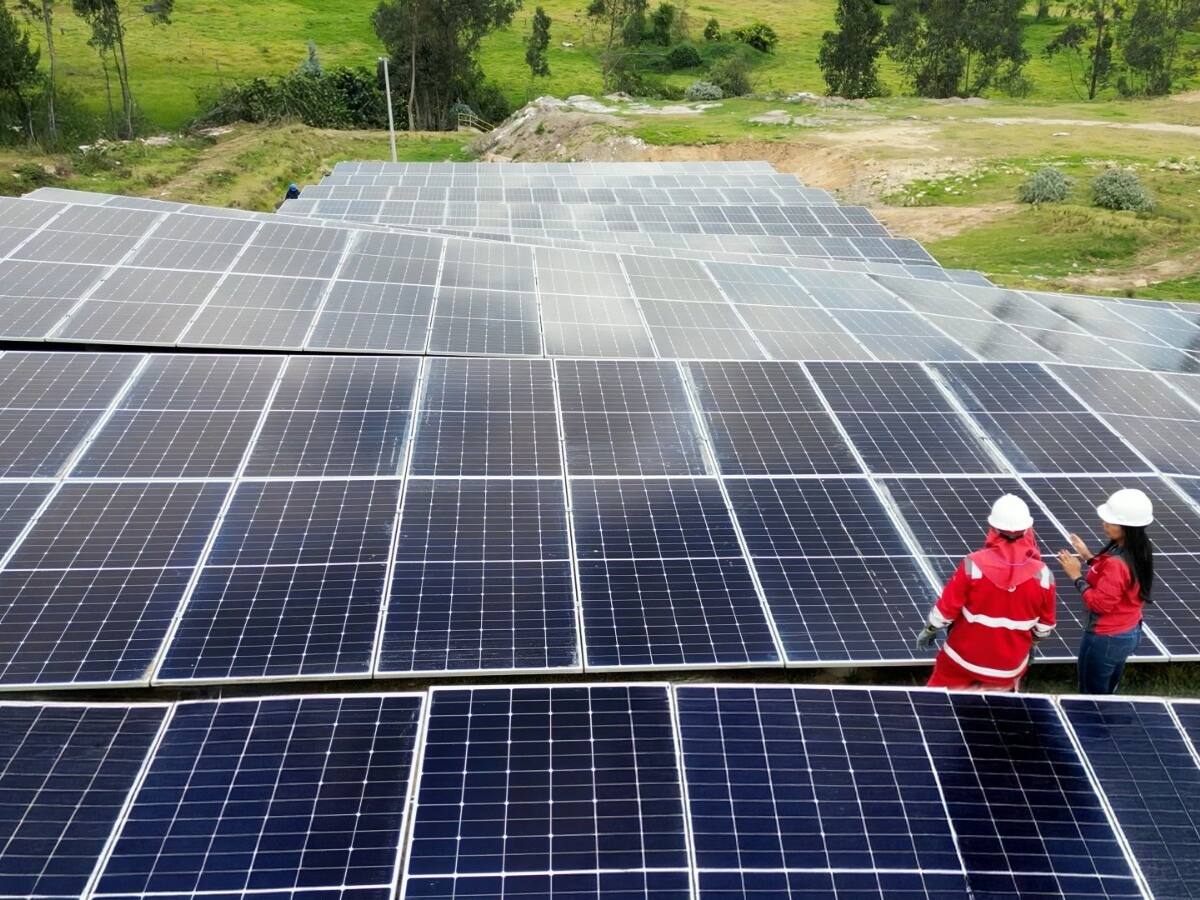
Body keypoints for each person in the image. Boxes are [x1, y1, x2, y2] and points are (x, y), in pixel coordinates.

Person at [916, 494, 1056, 691]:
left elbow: (946, 610)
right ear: (1027, 530)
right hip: (1008, 668)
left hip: (962, 659)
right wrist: (1031, 645)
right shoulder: (1043, 575)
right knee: (994, 713)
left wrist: (930, 629)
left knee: (938, 705)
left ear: (993, 529)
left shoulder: (973, 564)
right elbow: (1044, 627)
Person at [1056, 488, 1154, 695]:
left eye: (1112, 521)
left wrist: (1076, 575)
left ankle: (1095, 726)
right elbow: (1118, 581)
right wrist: (1088, 557)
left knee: (1092, 696)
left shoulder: (1117, 563)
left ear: (1128, 527)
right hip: (1129, 631)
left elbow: (1100, 604)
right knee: (1108, 690)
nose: (1105, 524)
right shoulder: (1140, 548)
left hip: (1105, 638)